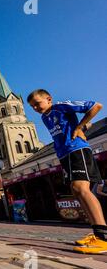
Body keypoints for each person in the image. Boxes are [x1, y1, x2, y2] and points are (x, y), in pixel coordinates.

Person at [27, 89, 106, 254]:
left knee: (80, 188)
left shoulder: (60, 107)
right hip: (64, 155)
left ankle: (104, 237)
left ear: (49, 99)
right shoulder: (44, 117)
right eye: (32, 106)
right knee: (77, 191)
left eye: (37, 103)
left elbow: (96, 106)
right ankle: (97, 234)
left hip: (77, 150)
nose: (35, 108)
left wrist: (80, 127)